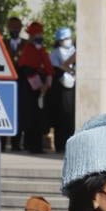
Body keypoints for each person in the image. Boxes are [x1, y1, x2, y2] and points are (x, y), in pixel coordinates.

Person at [16, 23, 52, 155]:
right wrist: (39, 85)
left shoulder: (42, 49)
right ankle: (32, 146)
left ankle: (38, 145)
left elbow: (48, 68)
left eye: (40, 34)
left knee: (40, 118)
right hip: (31, 90)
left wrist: (47, 84)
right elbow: (27, 69)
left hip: (42, 89)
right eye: (37, 35)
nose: (39, 37)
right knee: (32, 118)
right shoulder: (28, 49)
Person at [48, 26, 76, 154]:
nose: (68, 41)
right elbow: (56, 69)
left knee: (71, 117)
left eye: (69, 38)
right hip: (60, 89)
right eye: (65, 39)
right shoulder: (55, 53)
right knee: (61, 117)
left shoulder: (74, 50)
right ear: (59, 40)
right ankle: (60, 145)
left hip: (74, 87)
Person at [4, 18, 24, 152]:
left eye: (16, 30)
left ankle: (16, 144)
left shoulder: (26, 44)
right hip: (5, 85)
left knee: (19, 115)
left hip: (21, 86)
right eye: (12, 30)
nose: (14, 32)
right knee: (4, 114)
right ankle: (2, 143)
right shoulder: (3, 43)